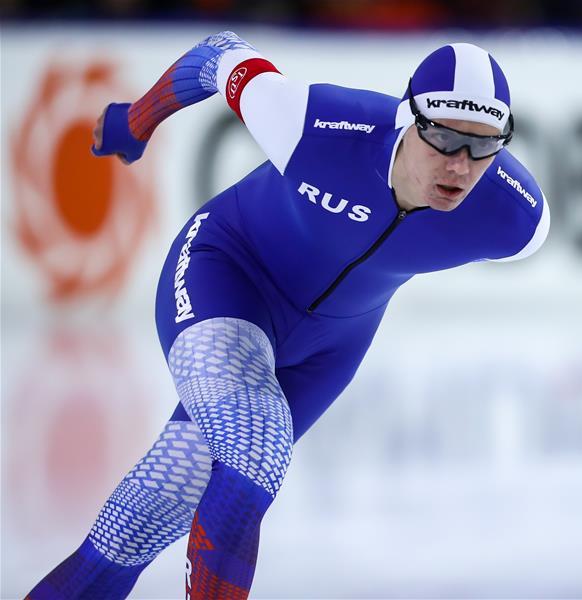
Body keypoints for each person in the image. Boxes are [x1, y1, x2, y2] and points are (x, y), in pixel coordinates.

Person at [27, 31, 549, 599]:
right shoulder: (315, 124)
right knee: (255, 446)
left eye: (484, 145)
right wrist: (136, 121)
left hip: (329, 349)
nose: (462, 165)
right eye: (445, 138)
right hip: (227, 273)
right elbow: (217, 53)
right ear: (408, 120)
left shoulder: (516, 219)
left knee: (150, 512)